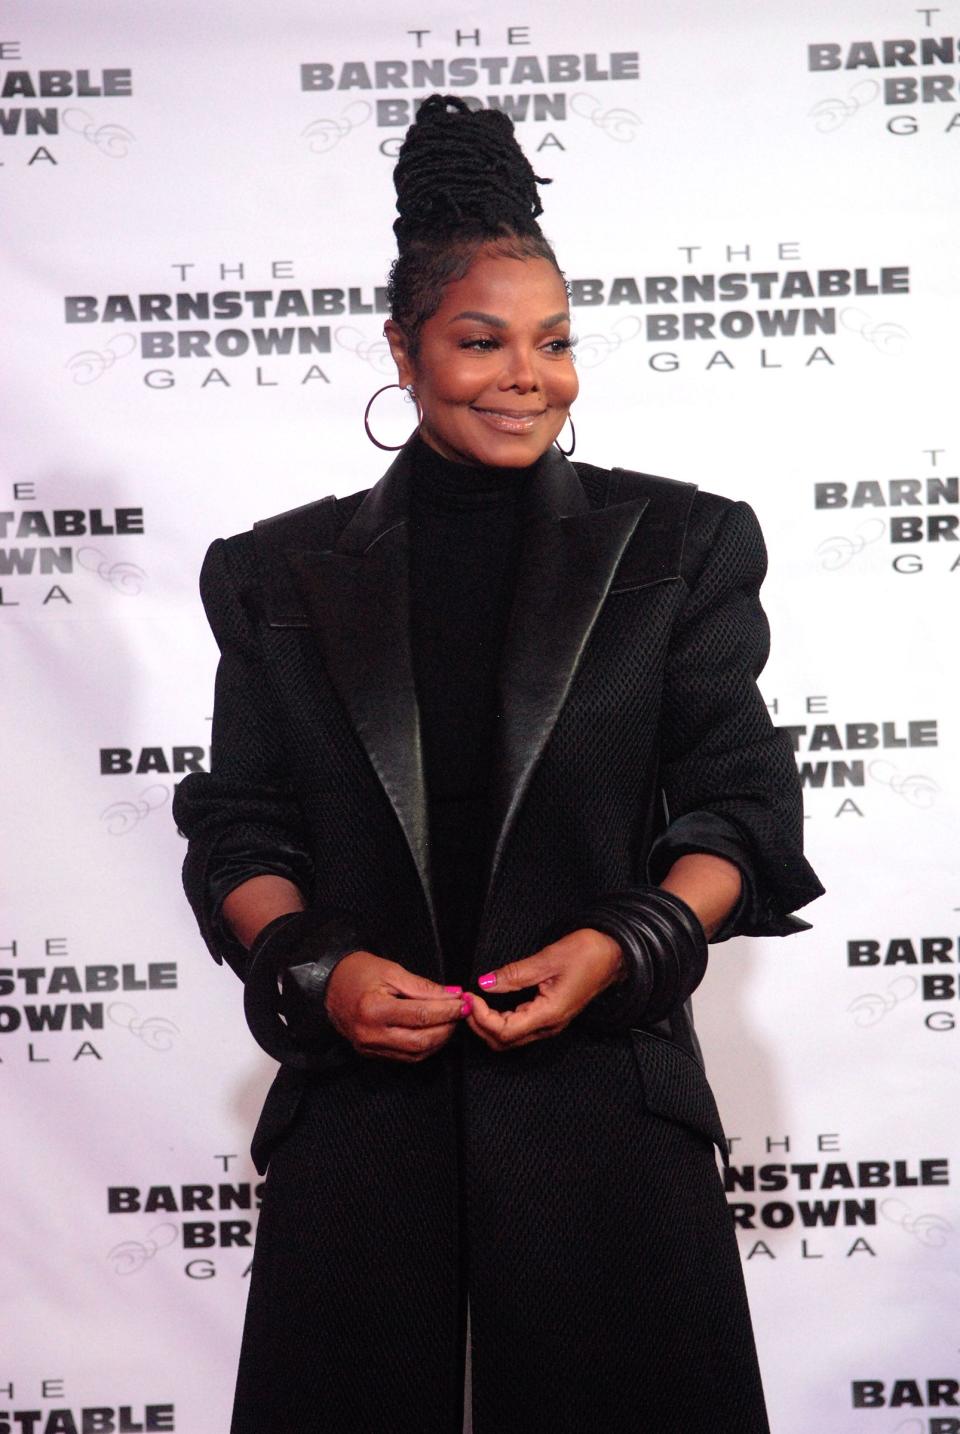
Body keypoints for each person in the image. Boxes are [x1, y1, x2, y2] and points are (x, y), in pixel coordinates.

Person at [173, 93, 823, 1434]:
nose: (529, 376)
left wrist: (625, 943)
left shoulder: (679, 550)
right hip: (361, 1111)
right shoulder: (275, 575)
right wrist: (318, 972)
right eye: (482, 342)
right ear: (405, 354)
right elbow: (241, 830)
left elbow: (742, 809)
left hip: (604, 1100)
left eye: (556, 342)